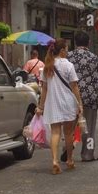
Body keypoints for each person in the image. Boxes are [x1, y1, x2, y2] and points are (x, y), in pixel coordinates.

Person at [36, 39, 83, 175]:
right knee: (69, 134)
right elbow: (74, 87)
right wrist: (79, 103)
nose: (67, 52)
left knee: (55, 132)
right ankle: (69, 160)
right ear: (62, 51)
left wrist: (40, 106)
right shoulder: (68, 65)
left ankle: (55, 161)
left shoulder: (47, 65)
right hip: (68, 102)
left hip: (53, 103)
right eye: (67, 49)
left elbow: (44, 89)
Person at [66, 31, 98, 163]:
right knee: (89, 128)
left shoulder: (68, 58)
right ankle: (87, 155)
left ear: (75, 42)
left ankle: (67, 150)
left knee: (70, 127)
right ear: (88, 43)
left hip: (71, 98)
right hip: (90, 98)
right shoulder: (95, 58)